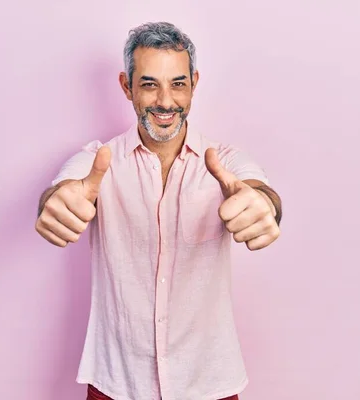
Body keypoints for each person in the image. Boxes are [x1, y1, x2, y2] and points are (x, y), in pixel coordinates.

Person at [35, 22, 282, 400]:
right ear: (126, 86)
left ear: (194, 84)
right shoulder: (99, 161)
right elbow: (63, 190)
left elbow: (258, 190)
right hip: (117, 383)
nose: (165, 101)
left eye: (178, 83)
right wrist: (56, 202)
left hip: (209, 382)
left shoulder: (226, 162)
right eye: (149, 84)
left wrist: (263, 204)